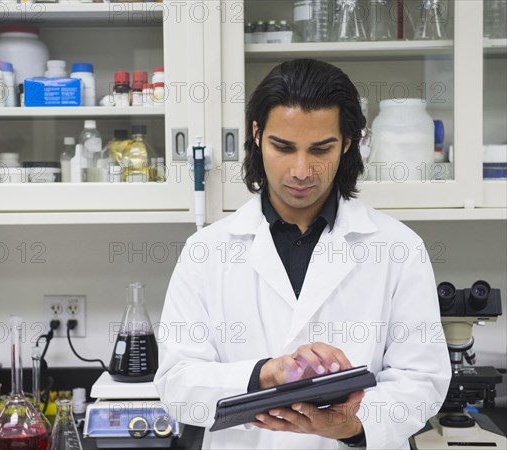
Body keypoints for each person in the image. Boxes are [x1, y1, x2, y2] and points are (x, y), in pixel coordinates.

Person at [154, 59, 451, 449]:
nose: (300, 171)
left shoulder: (398, 248)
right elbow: (177, 383)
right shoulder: (206, 252)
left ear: (347, 142)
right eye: (283, 147)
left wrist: (351, 425)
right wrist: (266, 374)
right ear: (257, 134)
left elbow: (422, 380)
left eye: (320, 148)